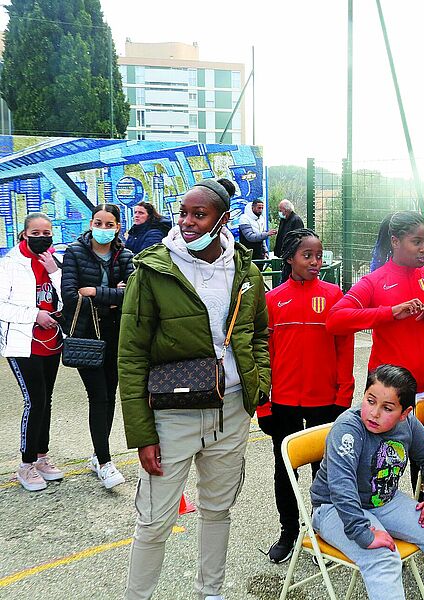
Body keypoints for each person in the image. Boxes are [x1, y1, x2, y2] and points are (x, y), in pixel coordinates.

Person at [118, 177, 271, 600]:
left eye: (198, 215)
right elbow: (130, 355)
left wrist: (259, 382)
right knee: (154, 519)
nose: (187, 221)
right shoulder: (153, 268)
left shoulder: (245, 270)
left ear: (222, 219)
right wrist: (142, 433)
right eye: (183, 212)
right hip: (172, 414)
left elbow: (259, 332)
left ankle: (211, 592)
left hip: (233, 409)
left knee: (217, 509)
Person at [308, 364, 424, 600]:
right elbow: (341, 487)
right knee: (383, 557)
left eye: (387, 408)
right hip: (334, 508)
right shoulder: (348, 429)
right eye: (370, 401)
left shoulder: (408, 424)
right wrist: (363, 533)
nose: (374, 413)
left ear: (405, 413)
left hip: (383, 501)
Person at [257, 228, 355, 564]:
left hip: (324, 400)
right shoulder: (272, 300)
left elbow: (345, 348)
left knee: (324, 470)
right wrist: (264, 403)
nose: (315, 262)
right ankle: (288, 531)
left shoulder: (334, 295)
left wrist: (344, 395)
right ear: (289, 258)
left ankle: (322, 530)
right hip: (283, 401)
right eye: (307, 256)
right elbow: (263, 355)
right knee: (285, 469)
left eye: (319, 255)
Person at [327, 211, 424, 399]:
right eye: (416, 242)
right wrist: (390, 313)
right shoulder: (374, 281)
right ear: (395, 241)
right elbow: (335, 320)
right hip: (391, 394)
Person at [61, 203, 134, 489]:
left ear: (117, 227)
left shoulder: (125, 255)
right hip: (86, 334)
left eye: (109, 224)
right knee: (98, 396)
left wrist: (94, 291)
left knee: (110, 394)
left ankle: (97, 455)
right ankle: (104, 461)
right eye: (98, 223)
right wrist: (113, 294)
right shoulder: (74, 253)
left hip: (116, 334)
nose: (102, 229)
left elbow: (131, 294)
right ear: (91, 224)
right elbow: (70, 295)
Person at [0, 213, 64, 492]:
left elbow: (66, 298)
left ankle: (41, 457)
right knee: (35, 400)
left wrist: (55, 271)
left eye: (46, 233)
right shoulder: (10, 265)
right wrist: (35, 315)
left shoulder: (52, 261)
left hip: (51, 342)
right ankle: (25, 464)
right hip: (22, 343)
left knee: (46, 400)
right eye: (35, 233)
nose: (42, 238)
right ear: (24, 234)